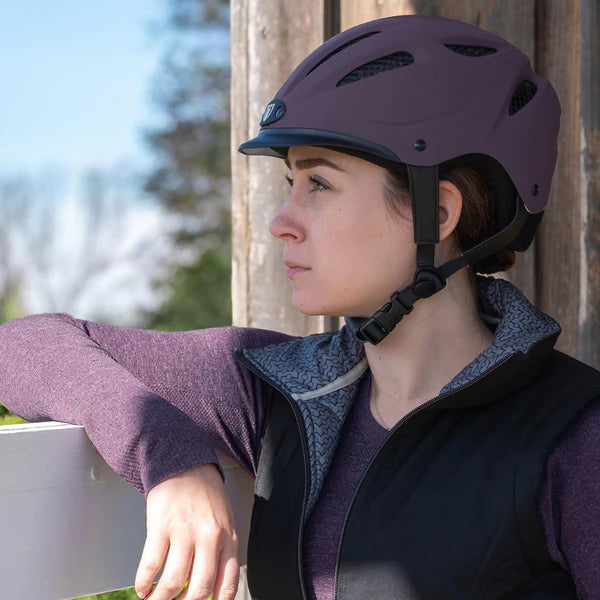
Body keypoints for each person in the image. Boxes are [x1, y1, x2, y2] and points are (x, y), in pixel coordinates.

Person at [1, 14, 599, 600]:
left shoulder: (577, 435)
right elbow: (23, 347)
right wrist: (170, 460)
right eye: (290, 184)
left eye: (319, 184)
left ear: (437, 215)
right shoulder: (276, 388)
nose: (280, 224)